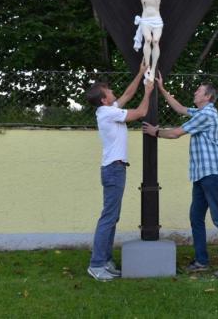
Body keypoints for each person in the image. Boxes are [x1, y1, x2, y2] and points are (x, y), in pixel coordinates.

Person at [141, 74, 218, 277]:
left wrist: (155, 132)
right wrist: (162, 89)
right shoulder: (200, 112)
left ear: (207, 97)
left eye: (199, 91)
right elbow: (180, 109)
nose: (195, 93)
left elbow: (177, 133)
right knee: (196, 217)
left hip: (211, 173)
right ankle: (201, 261)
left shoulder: (207, 114)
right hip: (201, 174)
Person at [85, 64, 154, 282]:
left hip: (115, 169)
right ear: (104, 100)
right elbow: (141, 112)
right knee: (108, 217)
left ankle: (105, 261)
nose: (114, 94)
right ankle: (96, 264)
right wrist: (149, 91)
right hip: (114, 170)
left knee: (111, 217)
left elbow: (127, 94)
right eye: (109, 93)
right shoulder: (108, 113)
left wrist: (141, 73)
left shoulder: (107, 110)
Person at [96, 0, 208, 83]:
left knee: (155, 41)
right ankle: (147, 67)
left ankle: (153, 68)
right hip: (145, 20)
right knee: (147, 39)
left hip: (156, 19)